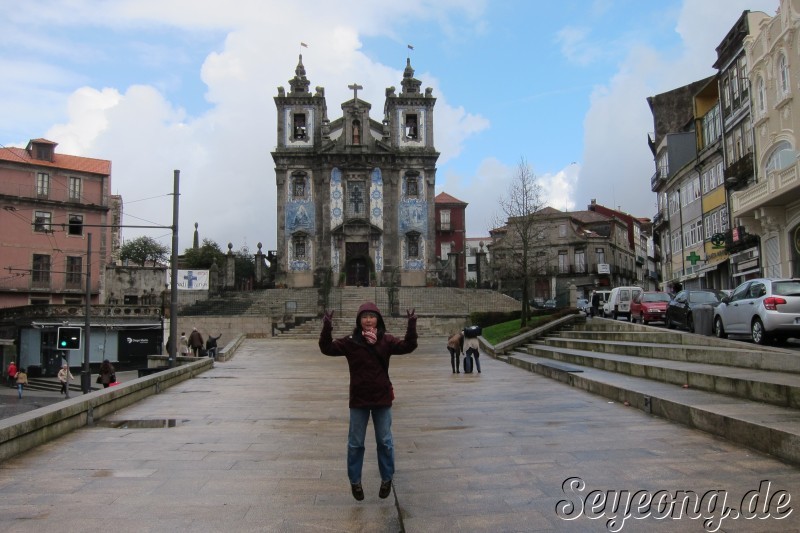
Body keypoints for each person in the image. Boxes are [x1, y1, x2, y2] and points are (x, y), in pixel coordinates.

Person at [319, 302, 417, 502]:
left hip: (382, 398)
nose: (368, 319)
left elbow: (408, 346)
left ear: (378, 319)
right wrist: (327, 326)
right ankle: (355, 481)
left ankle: (387, 478)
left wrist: (411, 326)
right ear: (359, 320)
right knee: (355, 444)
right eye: (364, 316)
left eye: (372, 316)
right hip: (359, 399)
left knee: (385, 441)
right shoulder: (350, 342)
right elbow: (327, 348)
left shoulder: (386, 341)